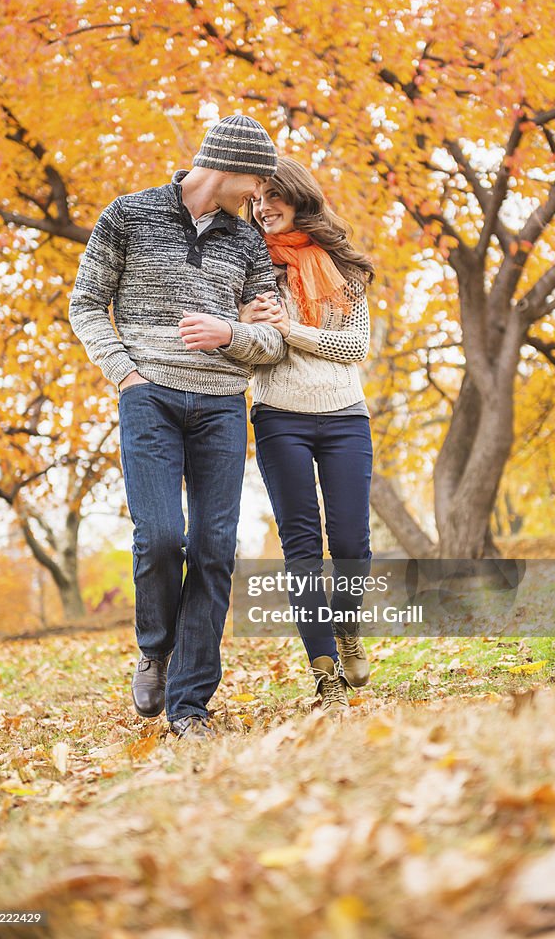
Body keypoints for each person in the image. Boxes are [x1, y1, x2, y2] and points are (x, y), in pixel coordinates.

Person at [69, 114, 286, 742]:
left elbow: (268, 340)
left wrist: (236, 332)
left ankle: (190, 707)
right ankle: (154, 650)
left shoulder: (246, 243)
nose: (258, 196)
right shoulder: (128, 215)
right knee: (161, 536)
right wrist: (125, 374)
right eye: (255, 181)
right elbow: (86, 303)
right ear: (226, 165)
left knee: (215, 550)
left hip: (221, 403)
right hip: (149, 398)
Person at [240, 157, 374, 714]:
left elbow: (354, 348)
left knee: (349, 541)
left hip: (345, 414)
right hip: (279, 416)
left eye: (274, 196)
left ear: (298, 198)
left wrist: (288, 327)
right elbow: (248, 348)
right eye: (257, 199)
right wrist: (246, 324)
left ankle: (348, 633)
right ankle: (324, 672)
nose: (264, 207)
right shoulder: (248, 265)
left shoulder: (341, 268)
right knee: (301, 545)